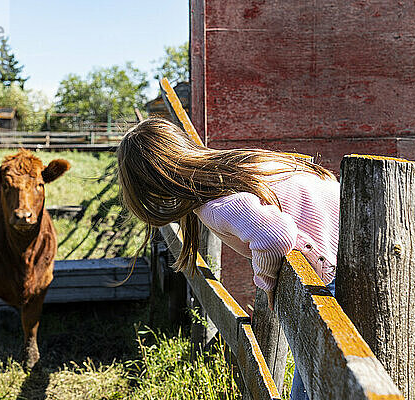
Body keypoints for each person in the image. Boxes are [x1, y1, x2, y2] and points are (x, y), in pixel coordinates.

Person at [116, 117, 339, 399]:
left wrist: (266, 281)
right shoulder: (233, 166)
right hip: (343, 247)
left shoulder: (214, 203)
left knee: (314, 383)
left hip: (333, 273)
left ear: (153, 184)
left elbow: (276, 235)